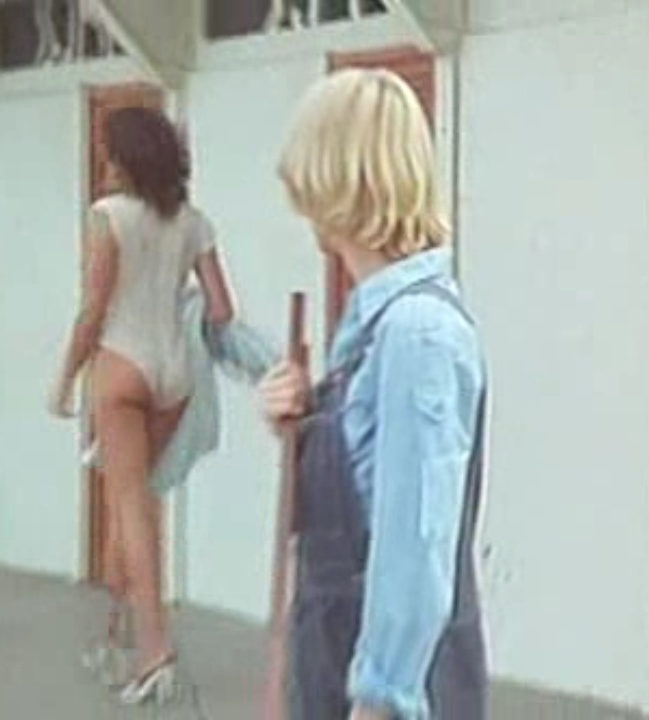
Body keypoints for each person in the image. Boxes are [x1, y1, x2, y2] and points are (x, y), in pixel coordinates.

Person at [258, 67, 490, 720]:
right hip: (333, 667)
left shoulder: (417, 334)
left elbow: (415, 543)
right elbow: (356, 493)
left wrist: (379, 701)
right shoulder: (374, 327)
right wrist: (301, 423)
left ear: (331, 178)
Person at [47, 105, 236, 705]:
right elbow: (221, 309)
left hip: (120, 367)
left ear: (125, 161)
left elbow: (93, 308)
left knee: (130, 511)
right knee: (136, 507)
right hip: (173, 376)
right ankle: (118, 634)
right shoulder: (194, 223)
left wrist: (65, 378)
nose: (104, 163)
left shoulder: (108, 216)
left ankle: (155, 653)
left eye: (109, 153)